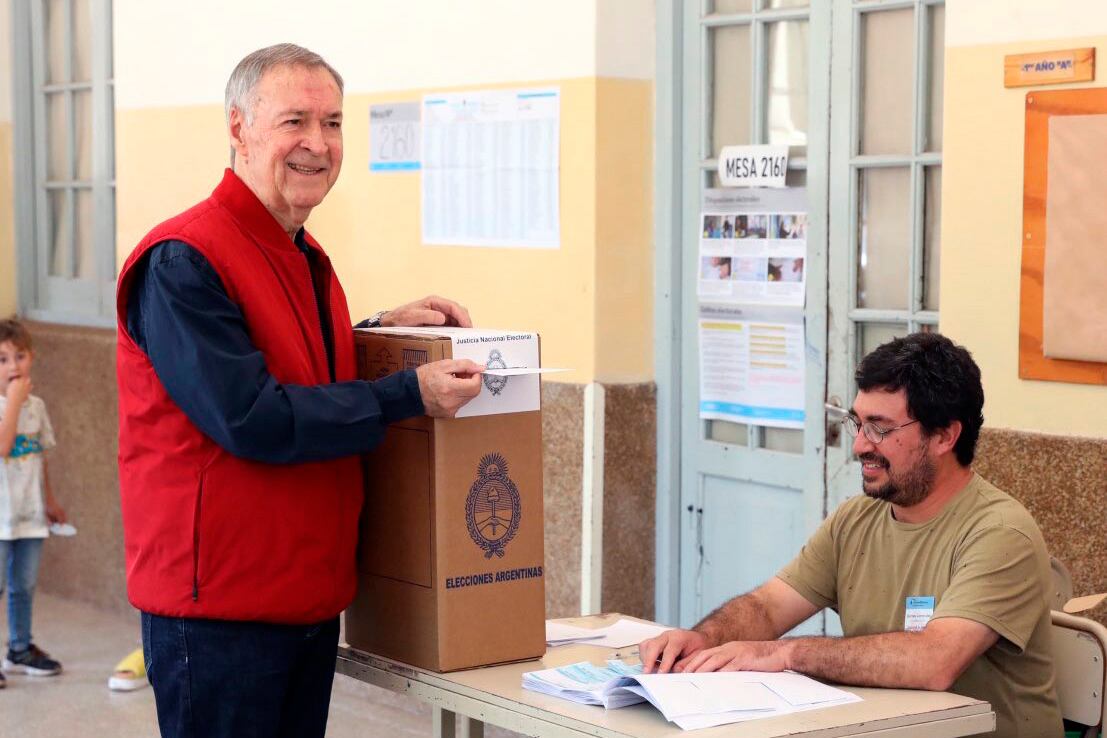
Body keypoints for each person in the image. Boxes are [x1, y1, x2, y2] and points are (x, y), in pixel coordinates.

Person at [115, 44, 484, 737]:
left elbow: (283, 362)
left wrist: (377, 331)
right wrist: (408, 393)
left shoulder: (298, 250)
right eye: (294, 122)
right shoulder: (183, 259)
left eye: (334, 122)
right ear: (238, 130)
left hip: (303, 598)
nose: (318, 144)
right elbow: (250, 415)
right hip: (221, 613)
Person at [640, 332, 1062, 738]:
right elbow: (768, 607)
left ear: (944, 436)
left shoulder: (1001, 534)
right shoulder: (856, 519)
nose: (860, 445)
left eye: (880, 428)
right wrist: (704, 639)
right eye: (857, 423)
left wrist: (784, 653)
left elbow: (935, 661)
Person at [0, 318, 67, 687]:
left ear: (32, 358)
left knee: (23, 584)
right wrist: (12, 402)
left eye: (19, 356)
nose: (13, 366)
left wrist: (50, 501)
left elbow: (40, 456)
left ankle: (20, 648)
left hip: (29, 514)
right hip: (0, 516)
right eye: (2, 359)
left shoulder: (36, 407)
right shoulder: (11, 403)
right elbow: (3, 446)